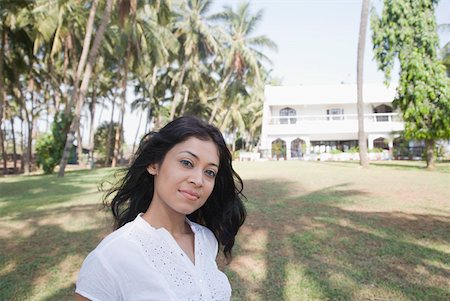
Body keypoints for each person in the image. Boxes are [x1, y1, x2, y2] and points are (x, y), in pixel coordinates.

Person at [75, 116, 246, 301]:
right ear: (154, 164)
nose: (199, 180)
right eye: (187, 163)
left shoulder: (206, 240)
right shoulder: (110, 257)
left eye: (209, 172)